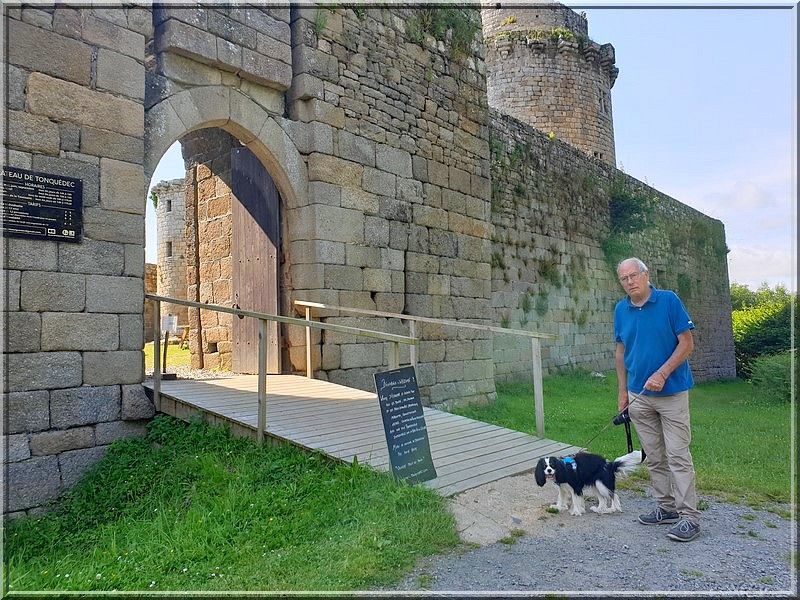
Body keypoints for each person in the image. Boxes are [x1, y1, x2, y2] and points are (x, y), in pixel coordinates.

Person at [613, 257, 701, 542]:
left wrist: (663, 373)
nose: (629, 282)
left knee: (678, 456)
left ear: (646, 274)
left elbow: (687, 343)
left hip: (672, 393)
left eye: (633, 275)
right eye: (624, 278)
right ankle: (666, 508)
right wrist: (623, 391)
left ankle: (690, 518)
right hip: (638, 396)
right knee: (653, 456)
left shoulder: (668, 300)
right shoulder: (620, 309)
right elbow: (620, 353)